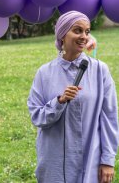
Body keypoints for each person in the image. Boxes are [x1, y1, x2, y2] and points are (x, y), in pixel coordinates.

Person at [27, 11, 118, 183]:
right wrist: (59, 102)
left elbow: (109, 118)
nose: (84, 36)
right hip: (54, 165)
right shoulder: (44, 73)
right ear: (62, 35)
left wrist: (108, 160)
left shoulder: (100, 71)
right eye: (77, 30)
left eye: (87, 31)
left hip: (90, 161)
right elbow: (36, 116)